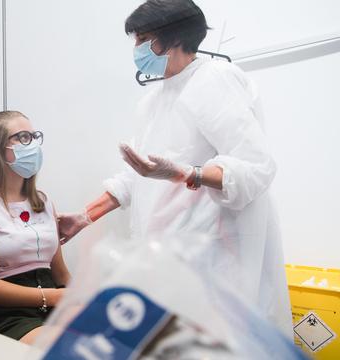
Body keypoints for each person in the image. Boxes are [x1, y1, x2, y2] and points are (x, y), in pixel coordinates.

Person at [57, 0, 292, 336]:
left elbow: (256, 166)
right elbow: (138, 176)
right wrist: (85, 216)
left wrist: (190, 173)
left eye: (143, 40)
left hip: (215, 256)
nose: (136, 49)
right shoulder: (154, 100)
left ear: (174, 38)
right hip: (170, 257)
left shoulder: (215, 80)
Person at [0, 110, 70, 344]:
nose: (32, 144)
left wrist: (83, 302)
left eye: (34, 136)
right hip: (5, 312)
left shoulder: (43, 201)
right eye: (23, 138)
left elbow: (60, 273)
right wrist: (52, 297)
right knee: (68, 348)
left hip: (53, 305)